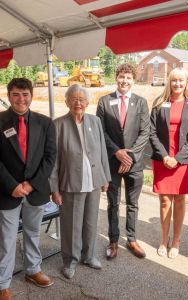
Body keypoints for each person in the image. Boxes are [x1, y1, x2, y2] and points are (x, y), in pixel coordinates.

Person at [0, 78, 57, 300]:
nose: (21, 99)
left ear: (31, 96)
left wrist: (31, 183)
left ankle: (33, 270)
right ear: (9, 96)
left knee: (33, 233)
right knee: (6, 238)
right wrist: (13, 185)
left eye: (25, 94)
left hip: (36, 190)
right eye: (16, 94)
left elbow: (50, 157)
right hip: (8, 191)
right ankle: (2, 284)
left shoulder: (45, 123)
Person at [50, 84, 111, 279]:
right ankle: (70, 261)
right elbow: (53, 161)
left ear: (87, 102)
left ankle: (89, 256)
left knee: (90, 222)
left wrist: (105, 177)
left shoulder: (95, 121)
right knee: (71, 225)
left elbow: (102, 151)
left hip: (93, 181)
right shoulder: (58, 124)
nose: (78, 102)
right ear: (67, 101)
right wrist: (54, 189)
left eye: (82, 99)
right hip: (70, 182)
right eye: (74, 99)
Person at [96, 63, 150, 260]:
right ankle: (113, 240)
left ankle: (132, 239)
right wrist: (117, 152)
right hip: (112, 162)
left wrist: (131, 155)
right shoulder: (104, 101)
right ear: (116, 78)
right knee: (112, 203)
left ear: (133, 80)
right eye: (121, 76)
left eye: (128, 77)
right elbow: (100, 131)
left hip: (134, 164)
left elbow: (146, 132)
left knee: (132, 203)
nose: (124, 81)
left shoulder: (141, 103)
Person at [149, 67, 188, 259]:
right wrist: (164, 156)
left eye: (181, 81)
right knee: (164, 201)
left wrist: (177, 158)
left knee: (179, 200)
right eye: (173, 80)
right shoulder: (159, 103)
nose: (177, 84)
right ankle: (163, 239)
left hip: (183, 161)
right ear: (169, 82)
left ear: (186, 83)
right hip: (162, 159)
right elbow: (151, 132)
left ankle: (176, 241)